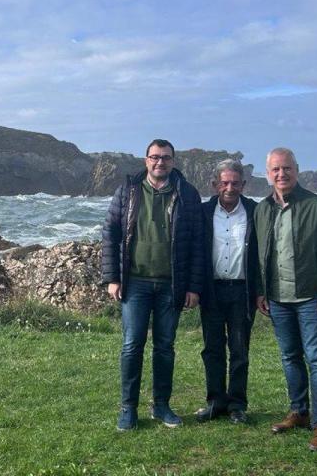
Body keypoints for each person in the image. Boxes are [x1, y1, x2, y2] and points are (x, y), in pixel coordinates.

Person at [102, 139, 204, 431]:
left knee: (165, 347)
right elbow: (110, 232)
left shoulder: (187, 194)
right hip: (135, 284)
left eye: (166, 158)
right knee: (132, 345)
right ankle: (128, 408)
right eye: (155, 157)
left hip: (172, 285)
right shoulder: (128, 190)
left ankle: (161, 406)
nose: (161, 163)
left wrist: (193, 287)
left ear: (173, 161)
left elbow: (198, 243)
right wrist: (112, 278)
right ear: (146, 160)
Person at [254, 147, 317, 451]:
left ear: (297, 170)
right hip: (277, 298)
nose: (282, 174)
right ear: (268, 174)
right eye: (276, 170)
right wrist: (260, 292)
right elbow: (258, 255)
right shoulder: (262, 209)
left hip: (311, 297)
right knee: (289, 357)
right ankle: (299, 412)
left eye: (287, 168)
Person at [195, 159, 259, 425]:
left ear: (243, 185)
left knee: (239, 349)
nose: (229, 188)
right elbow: (194, 251)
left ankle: (237, 404)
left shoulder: (257, 211)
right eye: (224, 183)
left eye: (235, 183)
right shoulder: (203, 211)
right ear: (215, 185)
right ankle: (215, 401)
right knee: (212, 348)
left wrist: (262, 290)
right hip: (212, 289)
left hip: (243, 290)